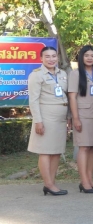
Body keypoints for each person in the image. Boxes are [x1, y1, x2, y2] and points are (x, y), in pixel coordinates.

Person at [28, 46, 70, 196]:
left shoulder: (62, 74)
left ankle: (51, 183)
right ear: (41, 58)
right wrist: (38, 121)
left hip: (60, 119)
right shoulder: (36, 75)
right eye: (47, 56)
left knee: (56, 151)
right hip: (46, 118)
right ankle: (49, 184)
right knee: (45, 151)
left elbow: (65, 96)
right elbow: (33, 100)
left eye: (54, 56)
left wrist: (69, 117)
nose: (51, 59)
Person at [68, 45, 93, 193]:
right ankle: (84, 182)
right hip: (82, 115)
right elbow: (72, 97)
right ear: (81, 57)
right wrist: (75, 118)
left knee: (92, 148)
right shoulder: (75, 74)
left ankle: (90, 179)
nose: (90, 58)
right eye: (87, 55)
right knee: (83, 147)